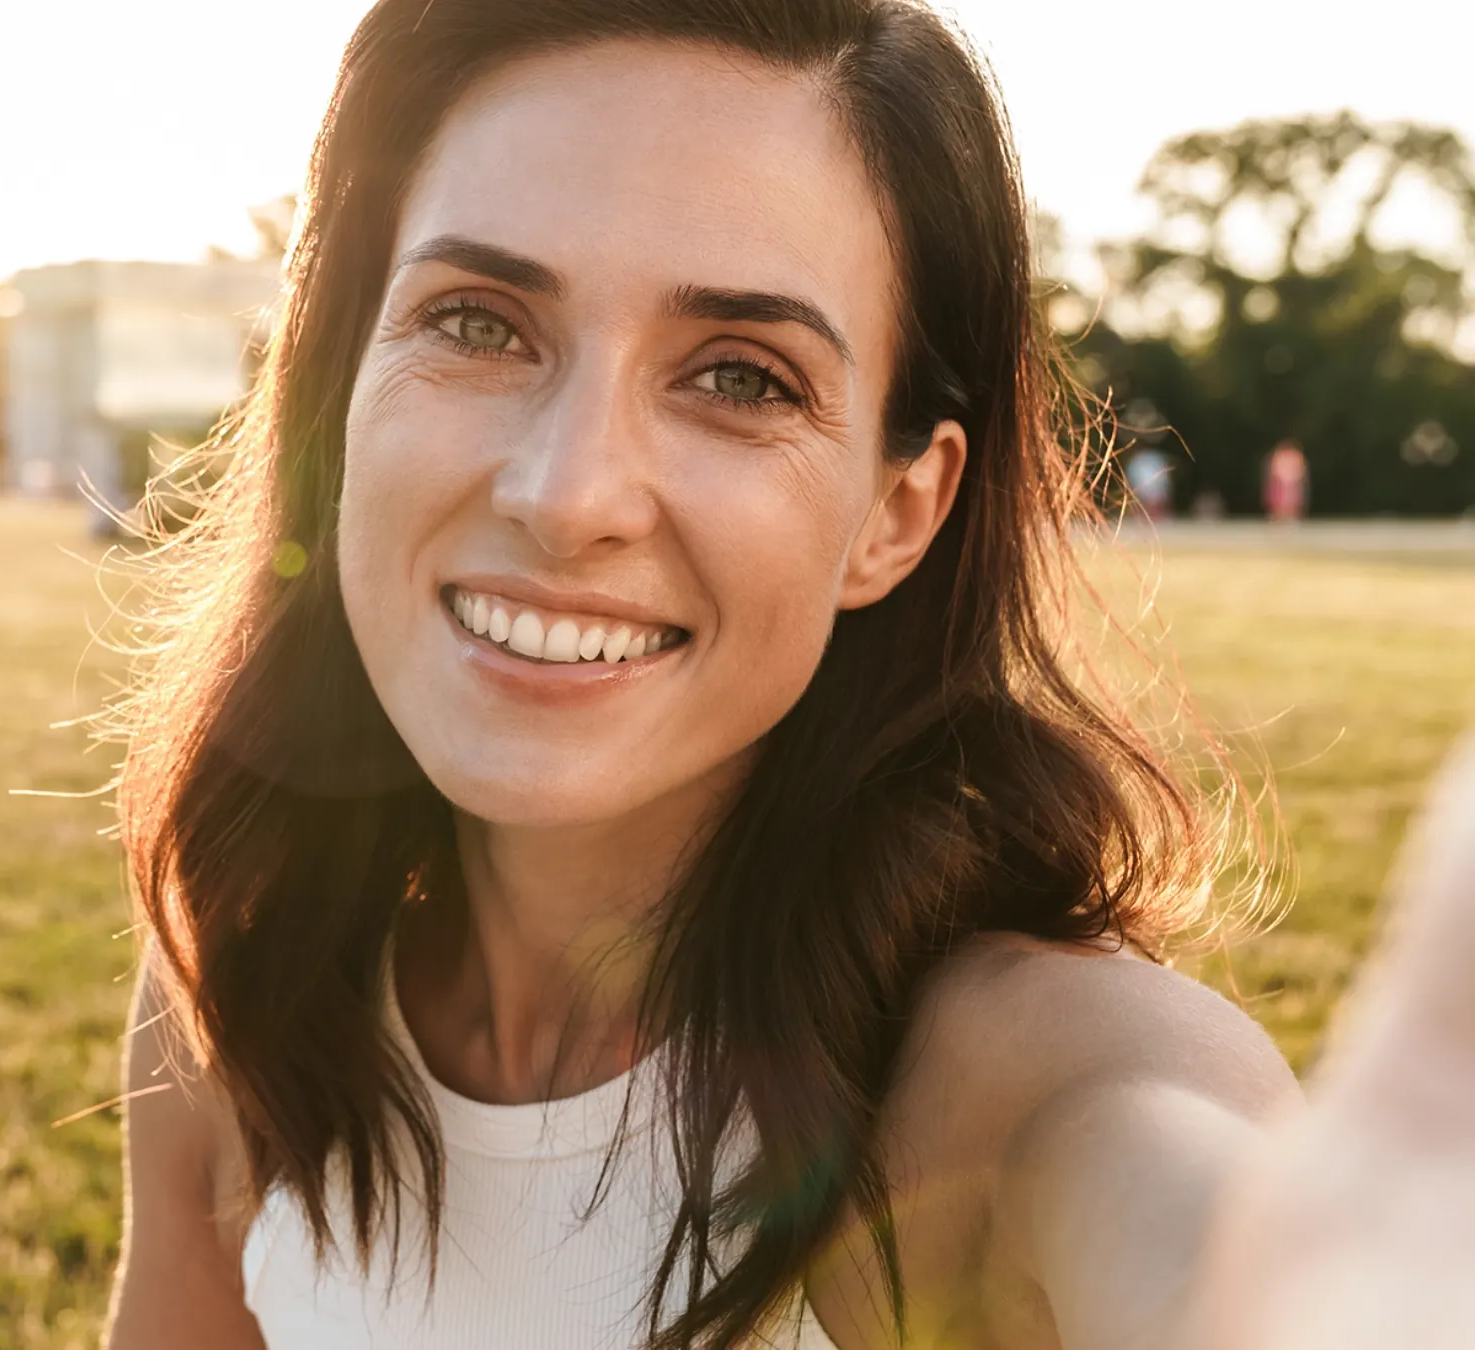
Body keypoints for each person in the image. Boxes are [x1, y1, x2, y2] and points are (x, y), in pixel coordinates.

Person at [102, 4, 1475, 1349]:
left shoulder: (1002, 1084)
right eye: (478, 321)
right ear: (339, 377)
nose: (568, 491)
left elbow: (1175, 1198)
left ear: (899, 509)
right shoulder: (244, 971)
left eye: (743, 379)